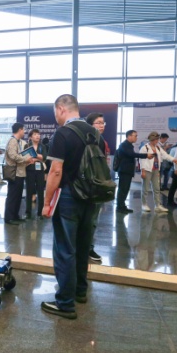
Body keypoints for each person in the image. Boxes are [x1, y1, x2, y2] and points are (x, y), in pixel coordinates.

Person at [40, 94, 105, 320]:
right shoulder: (95, 133)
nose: (55, 117)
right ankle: (80, 291)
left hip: (68, 197)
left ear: (61, 109)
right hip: (91, 197)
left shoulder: (63, 133)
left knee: (65, 249)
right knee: (83, 246)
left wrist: (46, 203)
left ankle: (65, 303)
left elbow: (56, 171)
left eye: (55, 113)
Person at [85, 112, 109, 262]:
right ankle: (86, 248)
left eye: (103, 123)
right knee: (90, 219)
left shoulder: (101, 140)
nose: (102, 125)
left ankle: (88, 247)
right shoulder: (89, 140)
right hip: (89, 185)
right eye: (98, 122)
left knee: (93, 219)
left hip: (97, 184)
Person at [4, 122, 36, 225]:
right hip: (15, 174)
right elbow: (13, 155)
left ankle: (15, 216)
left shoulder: (18, 141)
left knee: (17, 196)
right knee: (13, 196)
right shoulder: (13, 141)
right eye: (23, 130)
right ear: (19, 130)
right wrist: (26, 159)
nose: (24, 132)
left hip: (20, 173)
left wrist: (26, 160)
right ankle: (9, 218)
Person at [139, 131, 177, 213]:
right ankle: (144, 204)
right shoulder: (144, 148)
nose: (157, 141)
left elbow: (165, 155)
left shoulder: (158, 148)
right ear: (151, 139)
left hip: (156, 170)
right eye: (156, 139)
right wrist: (143, 171)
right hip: (147, 170)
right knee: (145, 188)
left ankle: (158, 205)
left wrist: (173, 160)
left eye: (157, 139)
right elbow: (141, 160)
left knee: (157, 188)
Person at [116, 129, 153, 213]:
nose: (136, 138)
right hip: (124, 171)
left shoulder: (129, 145)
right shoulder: (124, 145)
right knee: (123, 189)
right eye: (135, 136)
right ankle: (120, 207)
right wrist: (146, 155)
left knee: (125, 189)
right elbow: (132, 154)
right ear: (129, 136)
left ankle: (122, 206)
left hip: (127, 171)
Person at [25, 129, 47, 219]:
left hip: (40, 171)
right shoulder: (27, 146)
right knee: (29, 191)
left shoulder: (42, 146)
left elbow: (44, 157)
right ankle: (28, 212)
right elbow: (25, 158)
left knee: (40, 191)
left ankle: (40, 212)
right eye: (35, 134)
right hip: (29, 170)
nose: (37, 136)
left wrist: (35, 157)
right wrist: (38, 157)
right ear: (31, 137)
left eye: (38, 134)